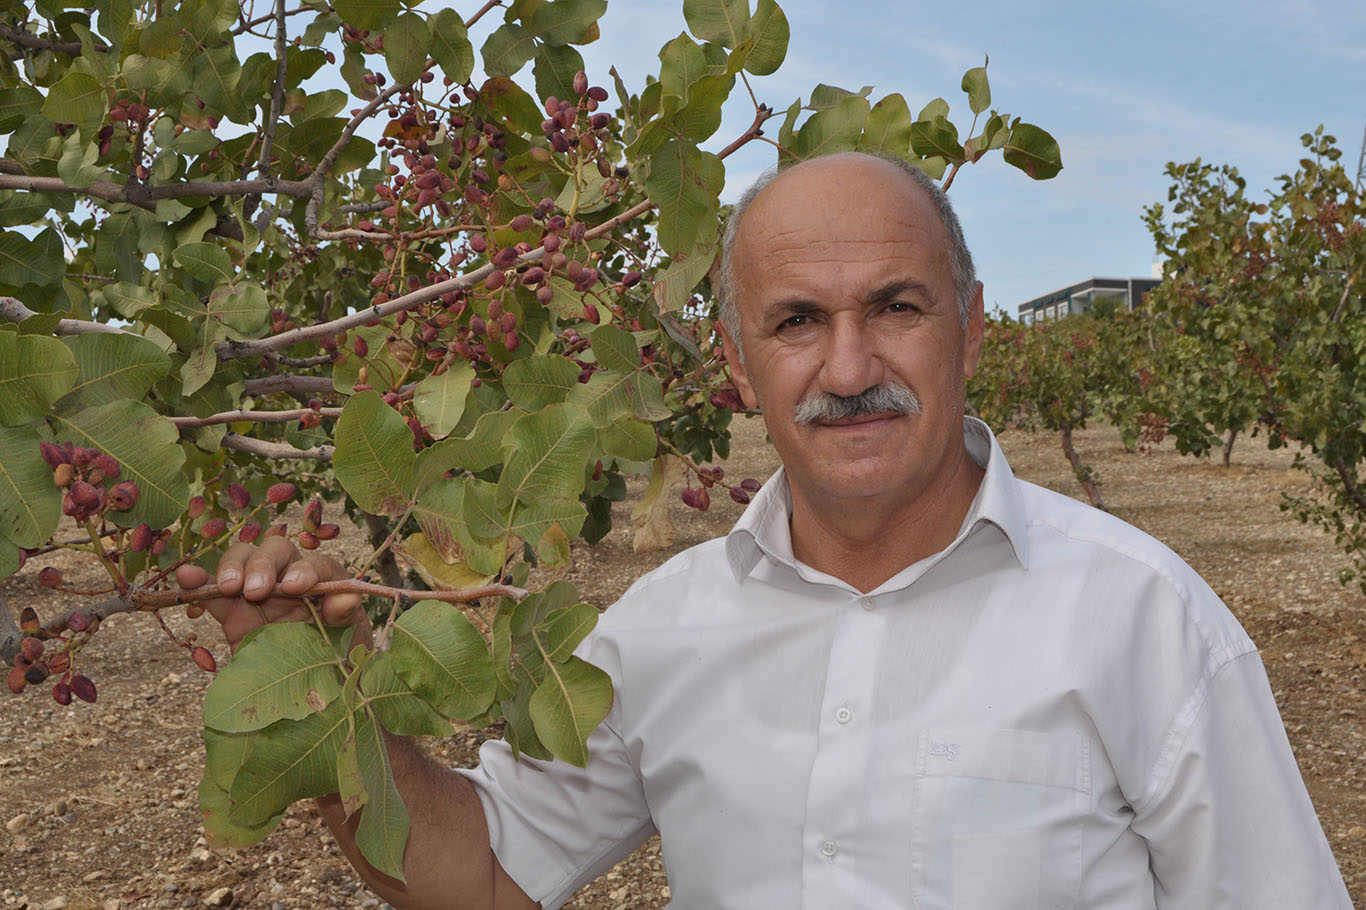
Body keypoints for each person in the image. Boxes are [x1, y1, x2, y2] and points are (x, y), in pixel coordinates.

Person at [179, 152, 1354, 909]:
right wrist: (312, 693)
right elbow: (481, 872)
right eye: (797, 322)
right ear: (738, 365)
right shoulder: (660, 630)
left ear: (972, 329)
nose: (849, 366)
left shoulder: (1143, 617)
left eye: (895, 306)